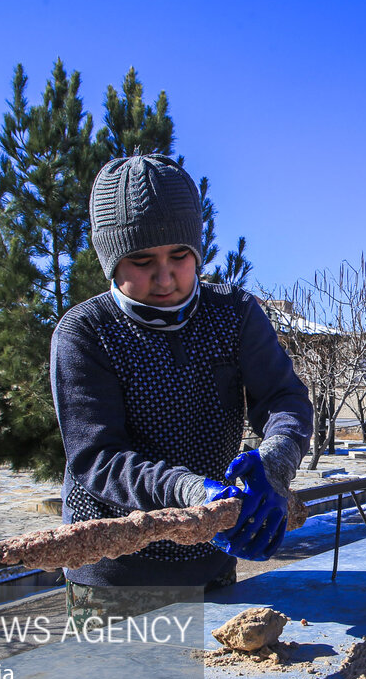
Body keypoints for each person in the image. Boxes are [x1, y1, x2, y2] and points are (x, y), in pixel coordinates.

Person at [50, 154, 312, 624]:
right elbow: (99, 457)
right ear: (111, 262)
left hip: (209, 560)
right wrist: (193, 491)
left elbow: (284, 401)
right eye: (143, 260)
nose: (166, 277)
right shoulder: (86, 333)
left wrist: (272, 466)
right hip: (114, 575)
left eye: (180, 256)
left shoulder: (233, 313)